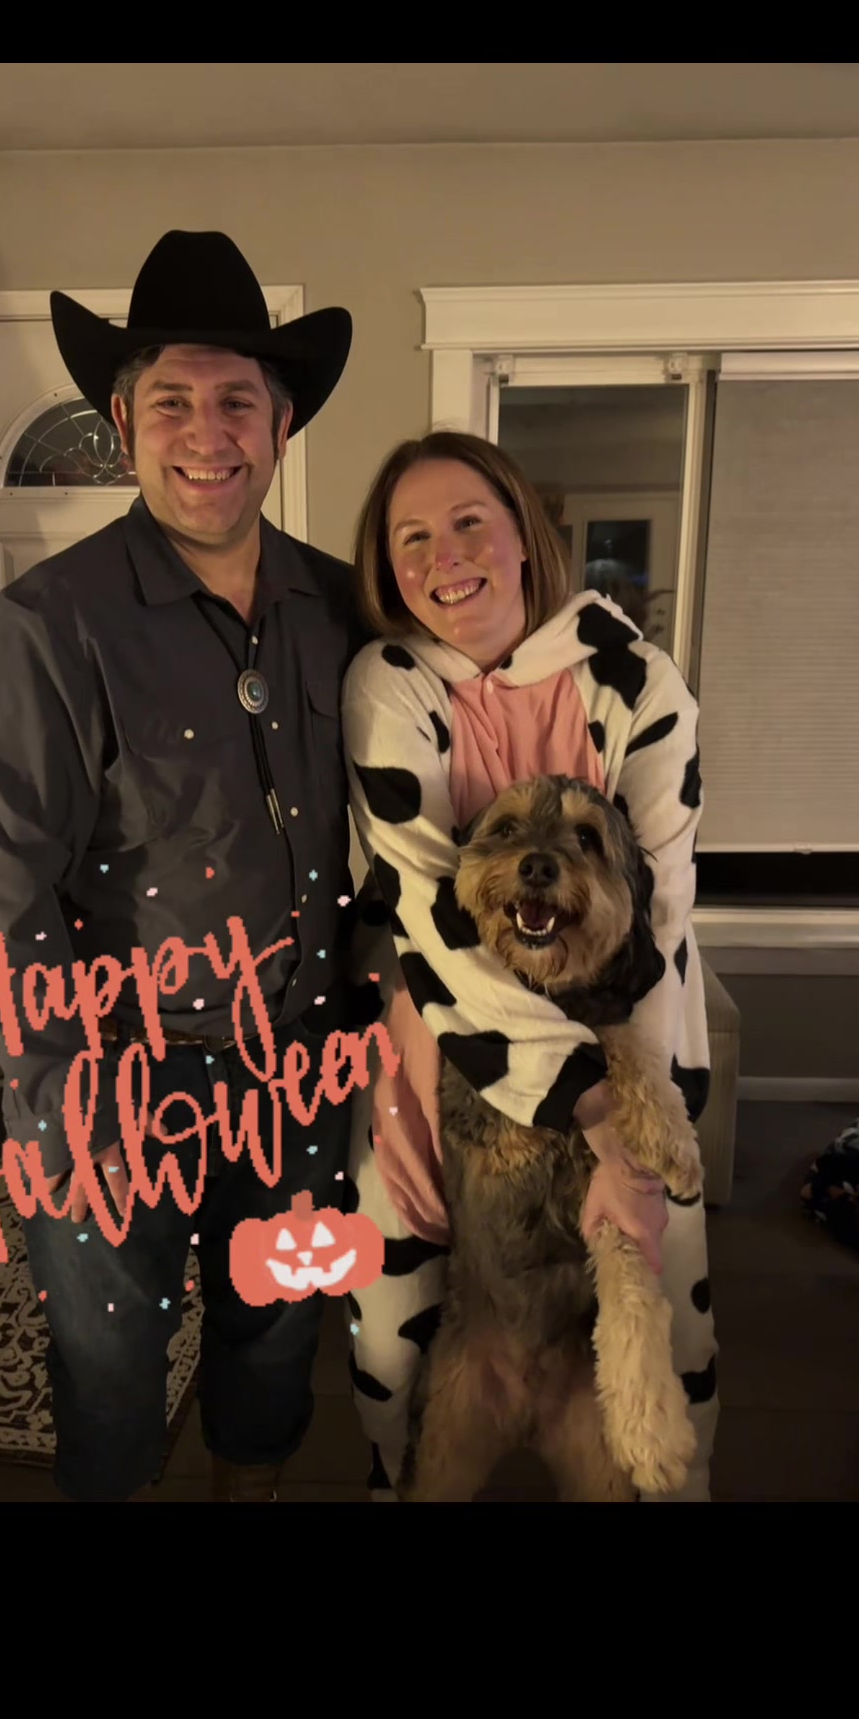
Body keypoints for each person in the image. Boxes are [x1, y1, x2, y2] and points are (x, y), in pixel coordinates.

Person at [0, 230, 369, 1503]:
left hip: (304, 1069)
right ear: (124, 425)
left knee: (280, 1335)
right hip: (117, 1078)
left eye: (237, 400)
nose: (207, 434)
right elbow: (7, 888)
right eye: (173, 402)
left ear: (282, 425)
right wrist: (57, 1106)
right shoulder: (51, 623)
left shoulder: (346, 607)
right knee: (111, 1369)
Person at [341, 431, 719, 1501]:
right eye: (413, 537)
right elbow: (428, 911)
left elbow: (657, 915)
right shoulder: (388, 682)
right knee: (390, 1343)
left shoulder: (639, 680)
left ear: (524, 535)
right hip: (440, 1036)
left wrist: (629, 1117)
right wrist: (588, 1109)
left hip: (633, 1030)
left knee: (672, 1350)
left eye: (470, 522)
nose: (445, 556)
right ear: (389, 568)